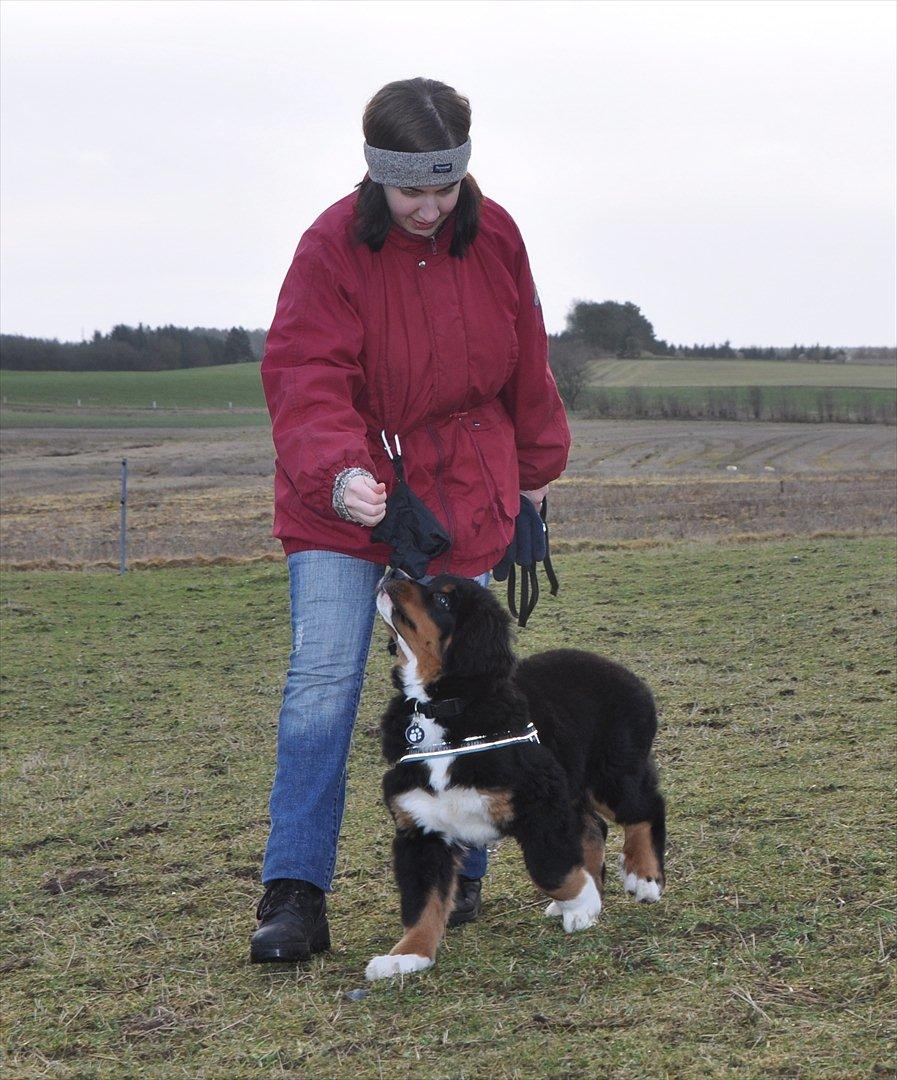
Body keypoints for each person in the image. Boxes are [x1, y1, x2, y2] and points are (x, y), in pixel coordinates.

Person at [252, 77, 571, 964]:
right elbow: (303, 372)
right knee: (320, 687)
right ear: (375, 176)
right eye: (410, 190)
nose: (430, 207)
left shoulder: (495, 232)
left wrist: (537, 471)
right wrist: (341, 471)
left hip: (459, 495)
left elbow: (527, 356)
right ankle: (294, 892)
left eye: (445, 186)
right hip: (345, 502)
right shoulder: (330, 248)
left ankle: (456, 871)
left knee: (463, 691)